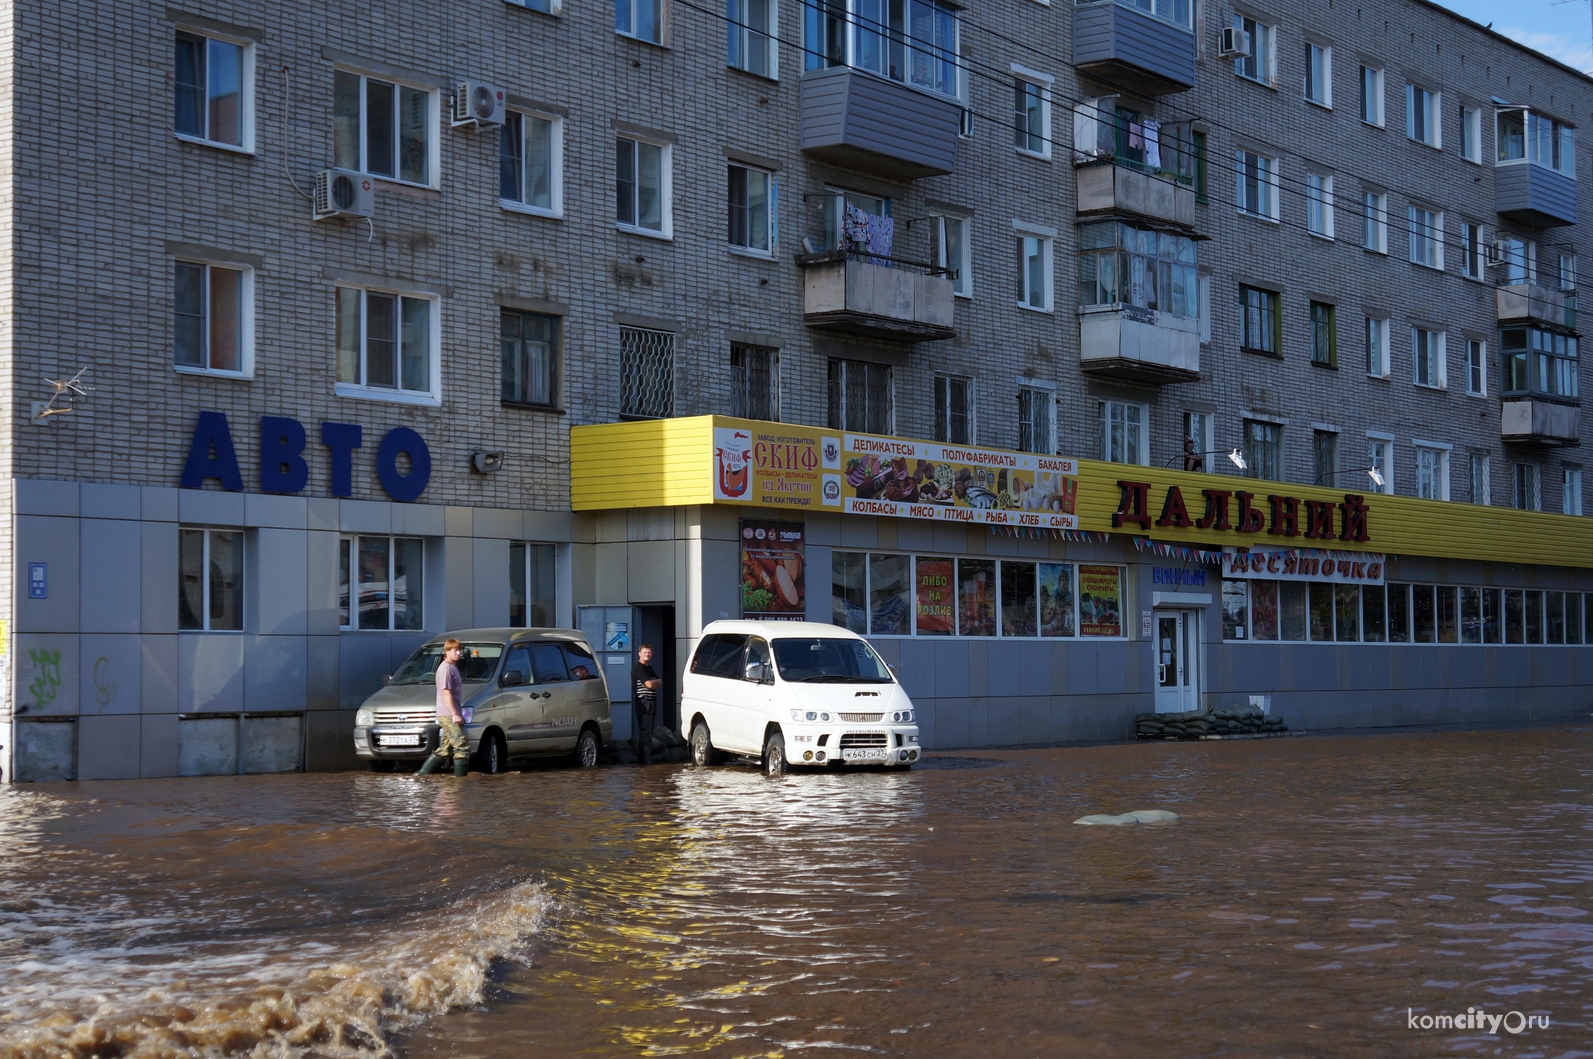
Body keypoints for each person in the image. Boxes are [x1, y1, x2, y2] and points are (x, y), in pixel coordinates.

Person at [417, 639, 469, 776]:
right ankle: (460, 783)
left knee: (446, 748)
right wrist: (455, 714)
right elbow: (446, 692)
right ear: (447, 652)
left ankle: (421, 775)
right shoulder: (445, 668)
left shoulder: (452, 667)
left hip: (450, 713)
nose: (459, 653)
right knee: (461, 746)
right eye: (455, 650)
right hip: (448, 714)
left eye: (459, 650)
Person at [631, 644, 661, 765]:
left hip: (652, 702)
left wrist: (653, 683)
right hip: (644, 703)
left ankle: (644, 760)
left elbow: (659, 681)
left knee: (648, 732)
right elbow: (649, 685)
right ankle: (645, 762)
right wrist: (653, 683)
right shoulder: (638, 668)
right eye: (644, 652)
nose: (647, 655)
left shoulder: (649, 668)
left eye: (649, 652)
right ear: (639, 653)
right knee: (645, 733)